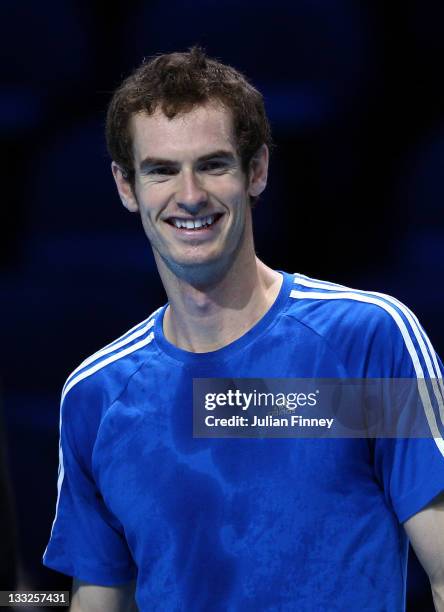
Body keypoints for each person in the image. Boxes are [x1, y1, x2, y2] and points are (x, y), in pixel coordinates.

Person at [43, 47, 444, 611]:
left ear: (256, 170)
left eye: (213, 164)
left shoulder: (368, 339)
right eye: (161, 170)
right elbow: (99, 601)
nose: (189, 196)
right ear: (126, 186)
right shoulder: (95, 395)